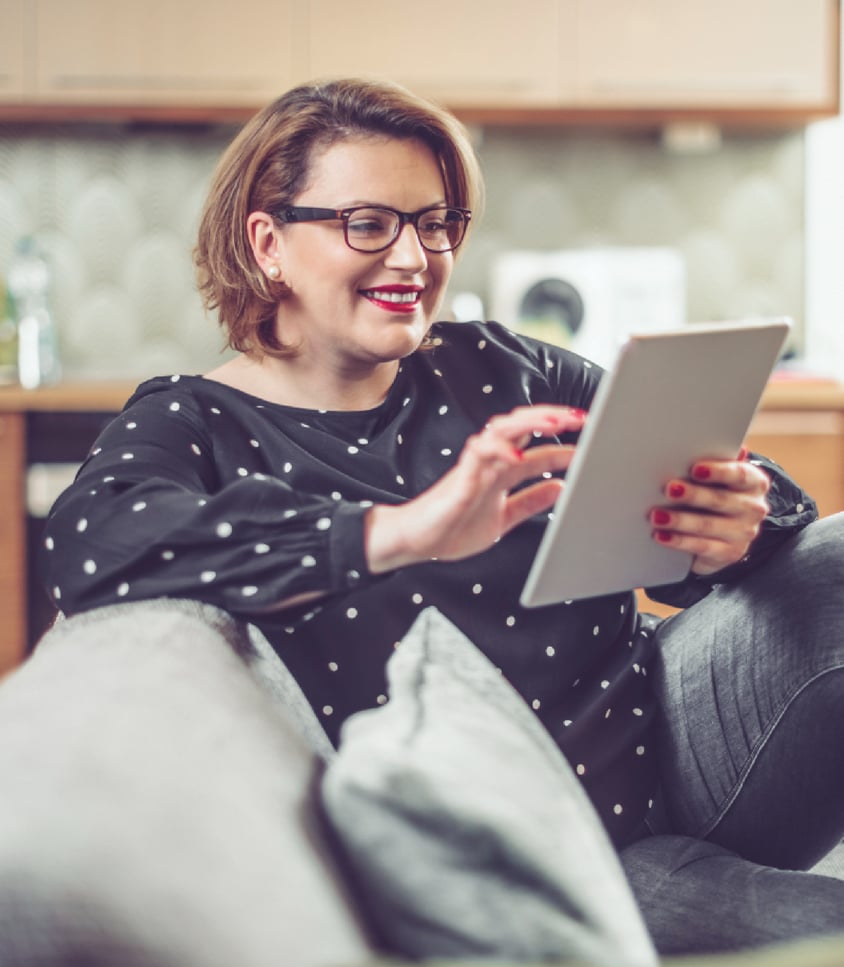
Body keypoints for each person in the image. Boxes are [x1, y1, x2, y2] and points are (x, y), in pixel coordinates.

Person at [40, 77, 844, 956]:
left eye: (434, 223)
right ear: (268, 243)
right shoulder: (195, 422)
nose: (415, 257)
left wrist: (738, 526)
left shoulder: (504, 367)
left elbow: (736, 492)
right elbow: (91, 541)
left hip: (669, 733)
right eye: (369, 224)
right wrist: (398, 532)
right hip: (551, 850)